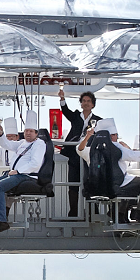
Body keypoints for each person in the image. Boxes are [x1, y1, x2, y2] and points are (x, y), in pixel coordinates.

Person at [0, 111, 46, 234]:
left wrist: (18, 171)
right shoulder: (22, 143)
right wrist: (1, 133)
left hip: (26, 175)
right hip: (15, 174)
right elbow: (6, 144)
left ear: (36, 133)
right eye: (26, 131)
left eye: (31, 131)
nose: (28, 133)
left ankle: (2, 221)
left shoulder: (39, 144)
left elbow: (35, 164)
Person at [76, 118, 140, 223]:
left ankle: (119, 214)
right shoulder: (116, 147)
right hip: (118, 183)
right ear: (113, 136)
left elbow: (79, 150)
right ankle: (138, 212)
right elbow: (133, 156)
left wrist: (88, 137)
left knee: (129, 185)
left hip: (98, 186)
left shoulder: (92, 150)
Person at [57, 88, 100, 217]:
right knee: (73, 182)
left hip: (88, 154)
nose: (86, 103)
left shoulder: (98, 120)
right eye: (84, 101)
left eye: (88, 101)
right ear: (81, 104)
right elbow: (65, 111)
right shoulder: (75, 116)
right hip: (74, 154)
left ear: (93, 104)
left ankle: (93, 212)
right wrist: (62, 99)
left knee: (90, 181)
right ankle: (73, 211)